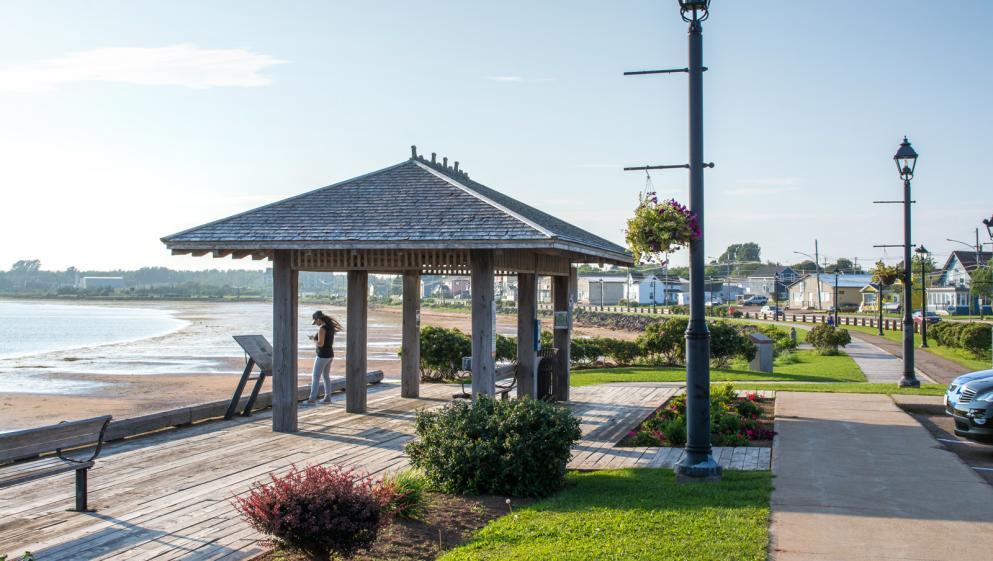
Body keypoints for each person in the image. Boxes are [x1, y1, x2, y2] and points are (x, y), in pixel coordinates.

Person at [306, 311, 342, 405]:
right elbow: (327, 342)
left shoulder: (322, 329)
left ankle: (311, 399)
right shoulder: (330, 327)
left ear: (318, 319)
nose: (316, 324)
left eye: (315, 322)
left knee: (315, 377)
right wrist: (316, 338)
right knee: (326, 377)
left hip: (322, 356)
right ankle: (327, 398)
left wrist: (313, 339)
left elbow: (320, 344)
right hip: (330, 354)